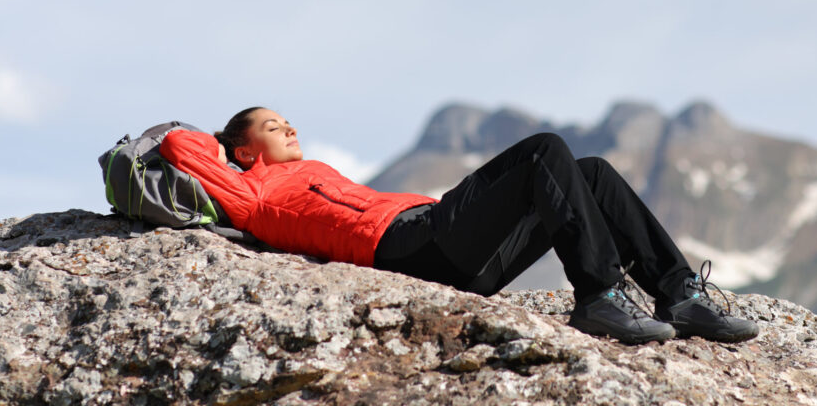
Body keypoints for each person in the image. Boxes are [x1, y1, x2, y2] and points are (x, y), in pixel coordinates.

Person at [159, 107, 759, 345]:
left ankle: (678, 293)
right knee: (543, 149)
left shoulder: (308, 168)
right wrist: (211, 141)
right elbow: (180, 145)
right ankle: (600, 295)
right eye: (270, 124)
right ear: (240, 150)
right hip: (409, 243)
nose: (288, 126)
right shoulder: (250, 191)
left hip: (453, 254)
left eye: (286, 119)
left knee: (593, 172)